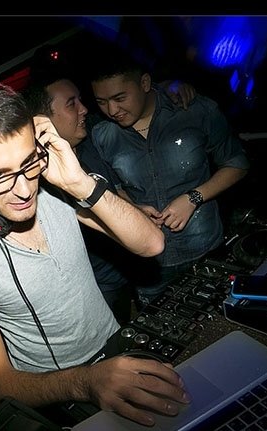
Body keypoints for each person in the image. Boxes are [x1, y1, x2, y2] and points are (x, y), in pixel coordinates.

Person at [0, 76, 190, 426]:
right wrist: (86, 383)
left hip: (118, 350)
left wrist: (79, 182)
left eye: (28, 163)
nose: (25, 190)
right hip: (57, 392)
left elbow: (151, 243)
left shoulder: (55, 185)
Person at [23, 57, 197, 322]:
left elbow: (135, 97)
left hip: (132, 265)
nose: (84, 109)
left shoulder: (90, 137)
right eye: (72, 104)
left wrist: (168, 86)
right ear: (42, 121)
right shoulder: (41, 182)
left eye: (80, 100)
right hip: (100, 283)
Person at [88, 45, 250, 305]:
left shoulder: (194, 110)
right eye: (101, 102)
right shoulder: (102, 135)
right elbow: (115, 189)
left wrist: (193, 198)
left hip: (205, 250)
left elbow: (237, 164)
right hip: (149, 268)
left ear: (144, 83)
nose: (112, 109)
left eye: (120, 97)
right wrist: (134, 210)